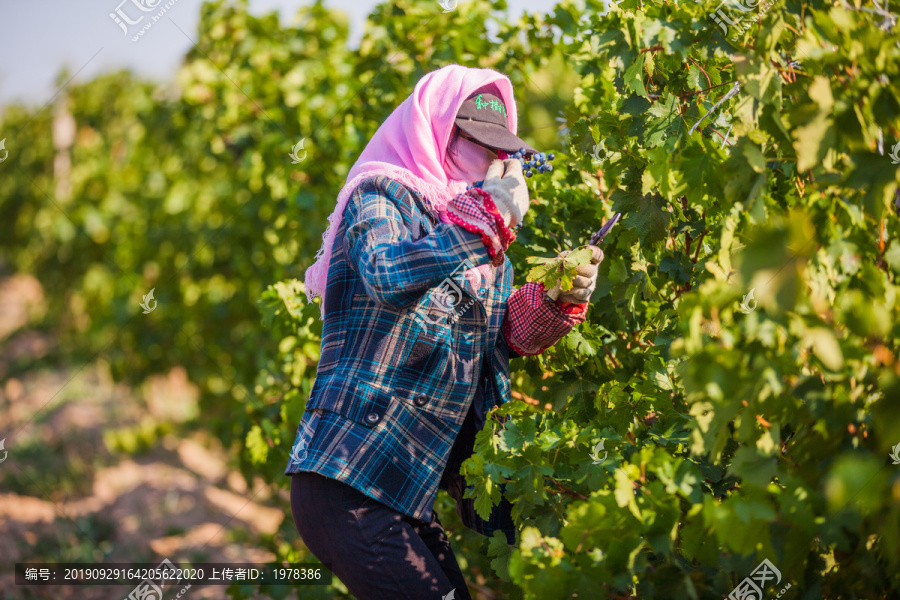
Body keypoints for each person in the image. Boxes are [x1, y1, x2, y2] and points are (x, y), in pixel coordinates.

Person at [285, 64, 603, 600]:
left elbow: (502, 339)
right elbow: (388, 273)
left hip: (403, 489)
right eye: (476, 142)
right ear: (433, 126)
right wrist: (484, 223)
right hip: (346, 479)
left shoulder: (479, 231)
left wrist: (557, 295)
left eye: (499, 148)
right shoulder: (380, 196)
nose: (491, 160)